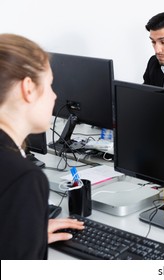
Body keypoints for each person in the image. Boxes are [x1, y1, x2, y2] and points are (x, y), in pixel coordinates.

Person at [0, 33, 84, 260]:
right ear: (28, 88)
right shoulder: (23, 178)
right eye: (49, 85)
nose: (55, 96)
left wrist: (24, 234)